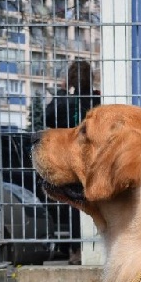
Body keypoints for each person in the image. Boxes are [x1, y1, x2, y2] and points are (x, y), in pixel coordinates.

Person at [44, 60, 101, 264]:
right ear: (90, 78)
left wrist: (62, 91)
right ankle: (90, 248)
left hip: (67, 158)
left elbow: (48, 117)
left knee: (72, 205)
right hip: (91, 158)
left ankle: (75, 250)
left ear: (69, 79)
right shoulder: (97, 100)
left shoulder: (64, 101)